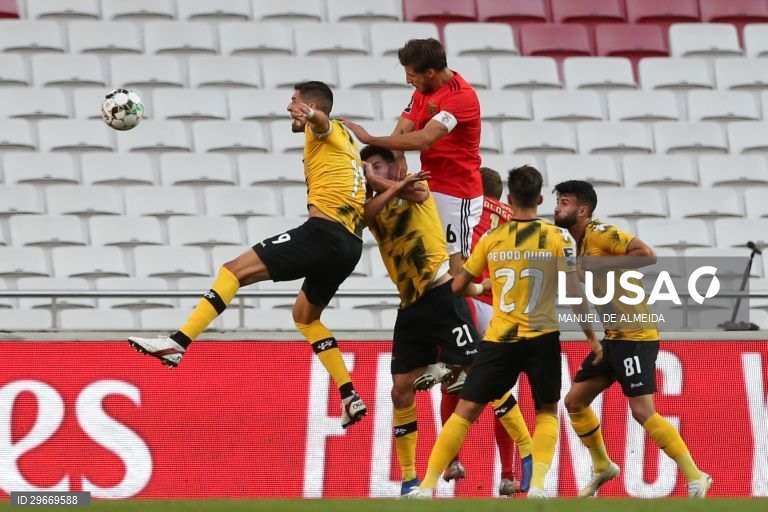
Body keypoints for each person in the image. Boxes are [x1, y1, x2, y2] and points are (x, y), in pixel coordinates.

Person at [128, 81, 369, 429]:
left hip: (324, 232)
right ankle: (349, 395)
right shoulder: (346, 140)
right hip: (350, 245)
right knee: (305, 317)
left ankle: (177, 342)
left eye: (294, 101)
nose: (290, 107)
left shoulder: (323, 130)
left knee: (233, 271)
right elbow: (330, 127)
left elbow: (321, 123)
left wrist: (313, 114)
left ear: (312, 103)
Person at [406, 166, 598, 499]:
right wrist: (592, 337)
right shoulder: (558, 237)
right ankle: (537, 485)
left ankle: (426, 487)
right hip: (542, 336)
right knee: (547, 411)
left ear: (510, 199)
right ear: (539, 199)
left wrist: (476, 286)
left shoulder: (494, 239)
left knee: (465, 411)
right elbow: (575, 292)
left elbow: (459, 284)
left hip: (500, 338)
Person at [552, 180, 713, 498]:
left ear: (582, 210)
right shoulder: (576, 244)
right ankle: (603, 467)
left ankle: (696, 477)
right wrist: (592, 337)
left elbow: (646, 254)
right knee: (574, 402)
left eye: (565, 202)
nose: (557, 207)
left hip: (635, 334)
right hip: (613, 336)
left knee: (642, 411)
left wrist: (597, 264)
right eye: (558, 201)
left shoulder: (600, 232)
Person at [360, 145, 478, 495]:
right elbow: (366, 214)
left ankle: (526, 458)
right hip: (410, 306)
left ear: (394, 166)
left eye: (377, 164)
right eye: (366, 167)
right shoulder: (373, 204)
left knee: (480, 370)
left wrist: (381, 180)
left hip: (441, 294)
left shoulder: (415, 190)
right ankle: (409, 478)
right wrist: (377, 182)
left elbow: (418, 190)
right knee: (400, 390)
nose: (370, 172)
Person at [342, 38, 483, 278]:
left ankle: (464, 313)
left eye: (411, 75)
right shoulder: (422, 91)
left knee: (454, 266)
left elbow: (424, 139)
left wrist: (371, 139)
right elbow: (404, 130)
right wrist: (398, 156)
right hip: (431, 182)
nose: (408, 80)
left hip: (457, 192)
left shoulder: (461, 97)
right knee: (431, 260)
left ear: (430, 72)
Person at [438, 167, 532, 495]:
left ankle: (452, 461)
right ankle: (508, 474)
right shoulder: (518, 220)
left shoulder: (467, 206)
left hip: (471, 303)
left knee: (451, 379)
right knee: (502, 394)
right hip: (506, 314)